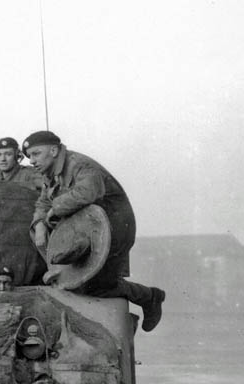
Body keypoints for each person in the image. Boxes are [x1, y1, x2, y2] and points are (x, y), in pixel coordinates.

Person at [22, 130, 165, 332]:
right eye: (30, 157)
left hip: (113, 227)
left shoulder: (80, 165)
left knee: (93, 287)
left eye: (36, 154)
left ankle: (150, 297)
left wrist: (56, 209)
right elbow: (44, 201)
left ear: (53, 150)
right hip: (85, 230)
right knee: (76, 282)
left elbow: (88, 191)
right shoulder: (51, 173)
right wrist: (38, 224)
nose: (32, 161)